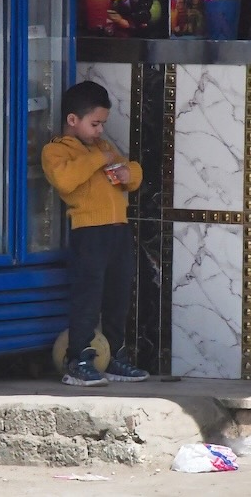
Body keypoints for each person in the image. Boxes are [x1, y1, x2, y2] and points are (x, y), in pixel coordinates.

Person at [41, 81, 150, 386]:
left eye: (103, 124)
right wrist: (99, 160)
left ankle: (115, 356)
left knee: (117, 297)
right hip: (89, 234)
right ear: (73, 120)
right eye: (95, 124)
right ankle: (79, 359)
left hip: (118, 232)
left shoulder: (102, 147)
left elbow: (131, 174)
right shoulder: (56, 151)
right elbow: (65, 180)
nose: (100, 131)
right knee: (87, 297)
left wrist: (130, 174)